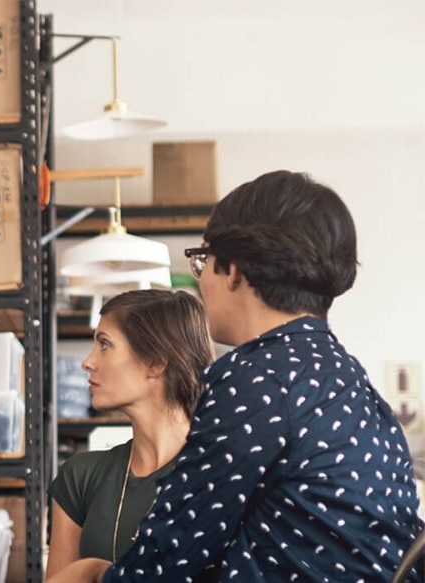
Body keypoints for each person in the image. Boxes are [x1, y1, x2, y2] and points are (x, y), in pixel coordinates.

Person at [50, 170, 423, 583]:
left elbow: (169, 560)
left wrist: (92, 573)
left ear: (233, 270)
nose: (201, 281)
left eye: (202, 262)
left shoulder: (256, 379)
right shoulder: (348, 377)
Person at [46, 290, 213, 578]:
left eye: (105, 345)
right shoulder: (81, 476)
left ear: (156, 362)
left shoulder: (219, 473)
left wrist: (94, 571)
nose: (87, 362)